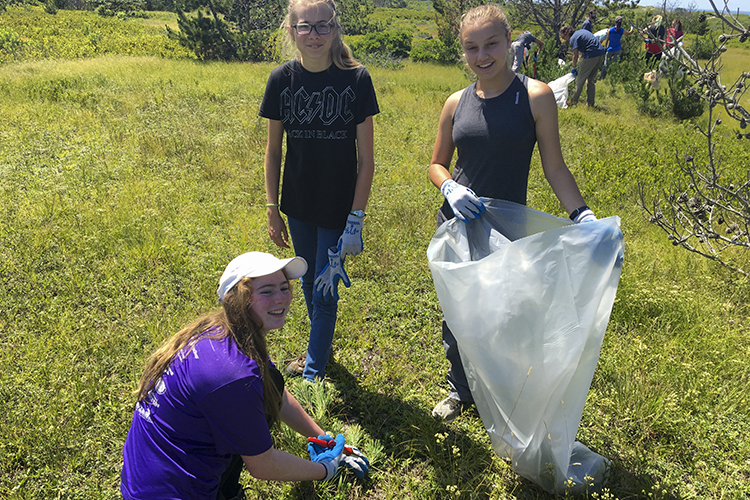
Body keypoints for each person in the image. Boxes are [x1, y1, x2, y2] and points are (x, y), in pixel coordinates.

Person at [428, 5, 597, 422]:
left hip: (505, 228)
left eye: (491, 44)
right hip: (456, 225)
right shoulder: (456, 102)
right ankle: (460, 389)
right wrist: (448, 186)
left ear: (509, 43)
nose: (482, 55)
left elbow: (554, 167)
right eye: (472, 47)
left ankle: (501, 390)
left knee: (503, 312)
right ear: (463, 51)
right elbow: (436, 164)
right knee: (457, 312)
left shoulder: (534, 96)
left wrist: (582, 215)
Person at [121, 252, 370, 499]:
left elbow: (275, 391)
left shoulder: (218, 331)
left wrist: (321, 437)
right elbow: (263, 464)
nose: (281, 298)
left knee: (270, 380)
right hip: (171, 493)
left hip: (146, 478)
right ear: (238, 299)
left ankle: (224, 489)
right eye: (266, 291)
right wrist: (325, 470)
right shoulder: (234, 376)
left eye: (284, 287)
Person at [260, 0, 379, 382]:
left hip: (337, 207)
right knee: (309, 279)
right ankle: (320, 344)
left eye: (322, 26)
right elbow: (274, 150)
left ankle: (313, 372)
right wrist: (272, 207)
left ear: (334, 28)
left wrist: (356, 219)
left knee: (326, 290)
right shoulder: (281, 80)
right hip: (297, 202)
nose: (314, 35)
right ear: (291, 30)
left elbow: (367, 161)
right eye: (304, 27)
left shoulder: (357, 80)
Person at [559, 25, 606, 107]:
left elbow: (575, 55)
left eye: (563, 37)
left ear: (566, 34)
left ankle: (574, 102)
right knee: (591, 80)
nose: (563, 39)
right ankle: (590, 103)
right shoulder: (581, 31)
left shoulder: (573, 38)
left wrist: (573, 67)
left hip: (591, 54)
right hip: (600, 53)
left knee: (580, 79)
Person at [601, 15, 634, 79]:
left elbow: (607, 40)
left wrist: (605, 47)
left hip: (610, 49)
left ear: (615, 21)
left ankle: (602, 77)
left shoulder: (610, 30)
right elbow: (629, 33)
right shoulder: (621, 30)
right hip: (617, 49)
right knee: (615, 64)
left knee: (606, 64)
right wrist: (632, 28)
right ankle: (613, 78)